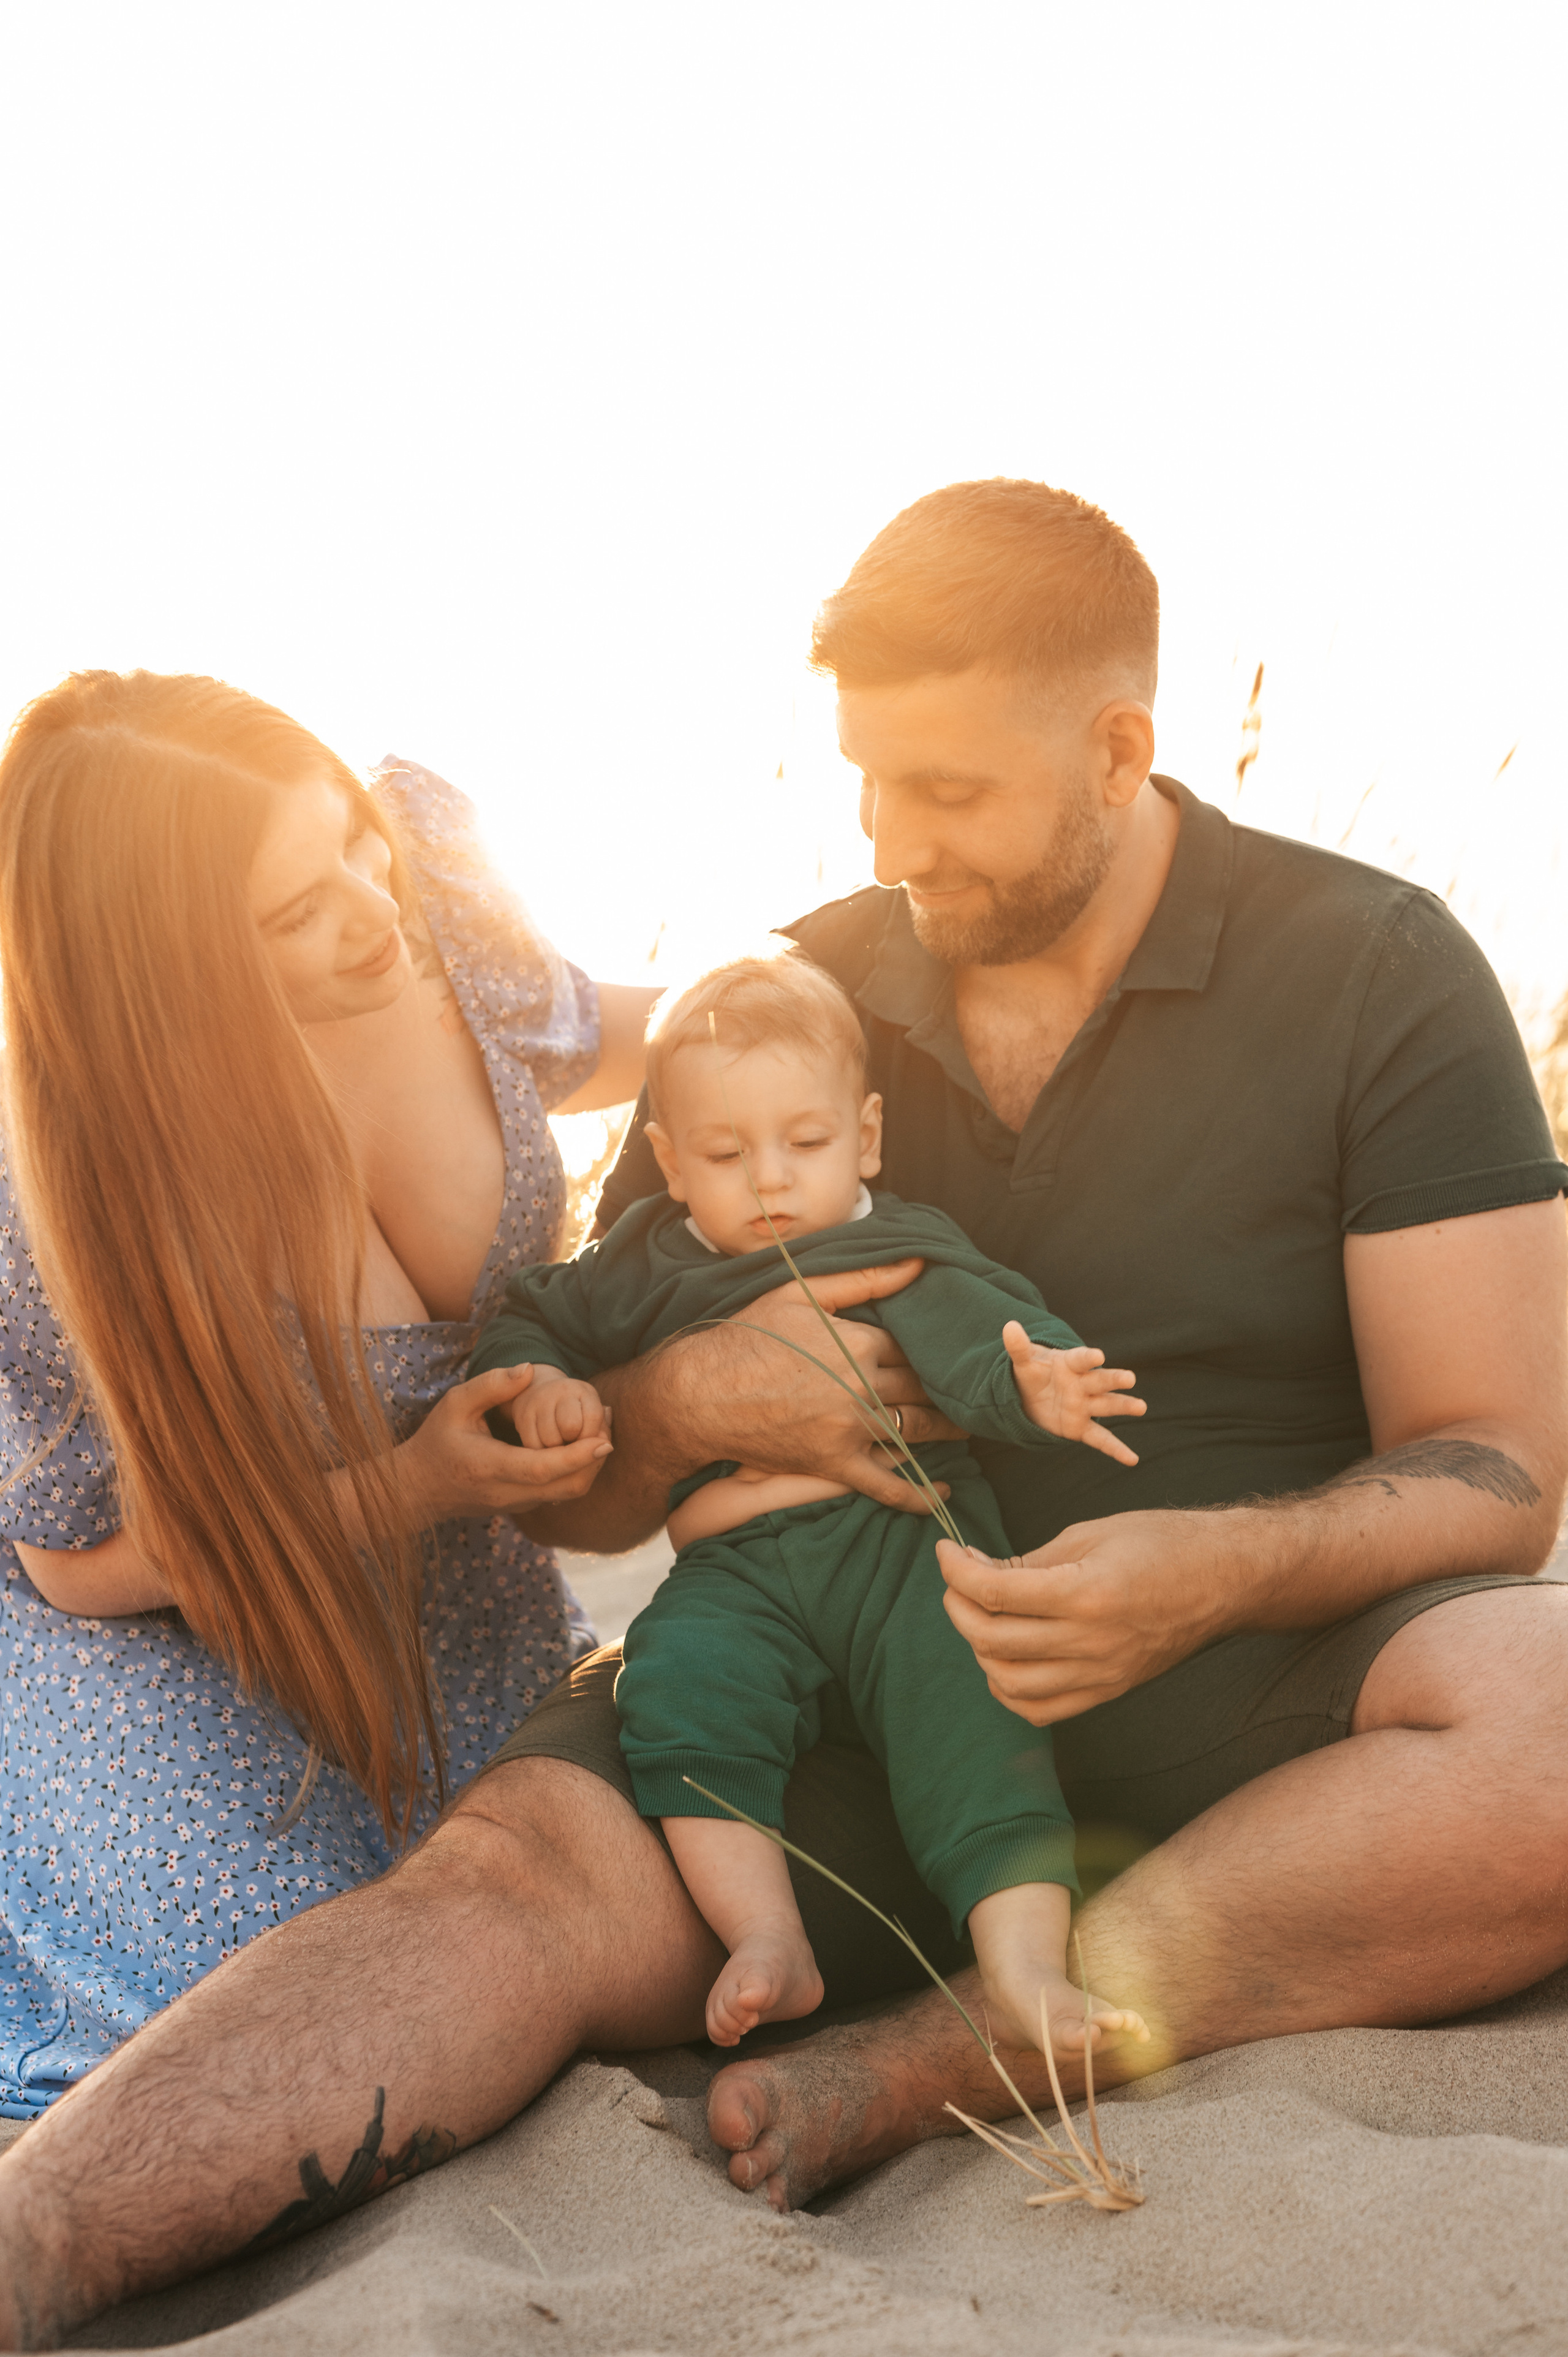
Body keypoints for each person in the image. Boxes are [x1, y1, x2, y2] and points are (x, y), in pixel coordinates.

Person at [4, 481, 1568, 2348]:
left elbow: (1505, 1470)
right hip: (814, 1663)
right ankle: (37, 2239)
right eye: (864, 782)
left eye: (948, 793)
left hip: (1260, 1692)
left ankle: (955, 2046)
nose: (891, 846)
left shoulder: (1375, 974)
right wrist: (669, 1401)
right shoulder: (808, 995)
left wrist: (1216, 1572)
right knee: (498, 1884)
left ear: (1120, 748)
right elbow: (581, 1498)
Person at [0, 669, 656, 2124]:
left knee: (541, 1922)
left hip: (461, 1631)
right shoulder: (55, 1184)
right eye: (296, 910)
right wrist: (413, 1485)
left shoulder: (429, 898)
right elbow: (77, 1566)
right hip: (192, 1655)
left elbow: (630, 1037)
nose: (373, 908)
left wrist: (844, 997)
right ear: (161, 967)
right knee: (271, 2004)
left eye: (354, 843)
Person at [470, 948, 1150, 2057]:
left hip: (902, 1551)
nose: (773, 1181)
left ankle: (1024, 1965)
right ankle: (765, 1940)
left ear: (867, 1138)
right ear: (670, 1161)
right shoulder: (641, 1265)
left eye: (808, 1143)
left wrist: (1038, 1381)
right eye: (729, 1154)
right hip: (732, 1576)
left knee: (975, 1712)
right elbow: (535, 1314)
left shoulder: (891, 1246)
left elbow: (983, 1334)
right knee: (677, 1693)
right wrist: (541, 1380)